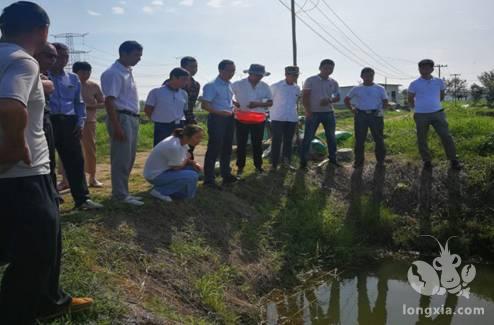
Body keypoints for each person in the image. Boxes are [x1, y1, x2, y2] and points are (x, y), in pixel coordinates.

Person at [0, 2, 92, 324]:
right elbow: (10, 106)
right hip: (24, 174)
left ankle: (49, 300)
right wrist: (14, 147)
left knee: (39, 241)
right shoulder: (23, 61)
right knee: (36, 253)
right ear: (43, 31)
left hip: (14, 176)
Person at [49, 42, 103, 210]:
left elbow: (78, 103)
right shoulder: (41, 75)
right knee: (48, 161)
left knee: (75, 161)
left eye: (66, 56)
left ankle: (82, 199)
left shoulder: (72, 79)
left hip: (69, 122)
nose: (62, 59)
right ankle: (52, 198)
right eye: (58, 55)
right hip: (48, 120)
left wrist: (80, 122)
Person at [101, 40, 144, 206]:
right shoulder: (114, 73)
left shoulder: (127, 71)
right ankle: (120, 195)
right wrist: (117, 126)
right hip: (121, 117)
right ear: (123, 54)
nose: (139, 59)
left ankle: (124, 192)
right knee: (121, 158)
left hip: (132, 117)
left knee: (129, 157)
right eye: (136, 55)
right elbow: (109, 101)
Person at [408, 59, 462, 170]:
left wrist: (433, 104)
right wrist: (417, 108)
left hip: (438, 113)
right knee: (422, 138)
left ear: (432, 69)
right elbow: (410, 98)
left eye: (427, 67)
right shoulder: (414, 84)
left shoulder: (439, 81)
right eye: (422, 68)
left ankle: (453, 160)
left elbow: (441, 96)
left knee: (446, 136)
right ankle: (427, 161)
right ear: (419, 69)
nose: (424, 70)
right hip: (421, 115)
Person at [200, 59, 239, 189]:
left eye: (233, 70)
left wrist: (233, 105)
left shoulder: (229, 85)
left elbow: (226, 100)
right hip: (217, 119)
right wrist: (219, 112)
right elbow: (205, 105)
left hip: (229, 118)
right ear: (220, 70)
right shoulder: (212, 85)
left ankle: (226, 174)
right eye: (229, 70)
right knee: (214, 148)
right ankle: (209, 179)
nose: (231, 73)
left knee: (227, 148)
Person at [143, 125, 203, 202]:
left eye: (201, 138)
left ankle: (185, 195)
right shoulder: (174, 146)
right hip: (155, 176)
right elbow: (177, 167)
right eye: (197, 137)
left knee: (194, 169)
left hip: (165, 171)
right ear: (187, 136)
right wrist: (187, 159)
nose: (199, 140)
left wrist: (193, 162)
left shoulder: (182, 141)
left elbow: (184, 159)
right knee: (192, 175)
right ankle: (160, 191)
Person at [232, 64, 273, 174]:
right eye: (257, 75)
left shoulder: (265, 86)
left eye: (261, 75)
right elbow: (227, 96)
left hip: (258, 119)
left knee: (257, 143)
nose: (260, 77)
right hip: (241, 118)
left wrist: (257, 104)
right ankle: (240, 166)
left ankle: (258, 166)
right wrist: (234, 103)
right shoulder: (238, 84)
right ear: (250, 74)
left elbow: (270, 102)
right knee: (241, 143)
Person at [299, 59, 341, 169]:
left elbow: (337, 97)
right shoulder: (311, 80)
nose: (328, 70)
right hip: (313, 113)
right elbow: (305, 97)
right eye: (326, 68)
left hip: (329, 113)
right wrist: (308, 111)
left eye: (331, 68)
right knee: (308, 137)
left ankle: (333, 159)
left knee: (331, 137)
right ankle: (303, 162)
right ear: (320, 68)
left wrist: (329, 100)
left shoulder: (333, 82)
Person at [344, 67, 388, 168]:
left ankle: (380, 161)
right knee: (360, 139)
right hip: (361, 115)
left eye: (371, 75)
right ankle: (358, 162)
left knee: (379, 138)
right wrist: (352, 109)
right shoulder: (356, 88)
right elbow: (347, 100)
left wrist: (380, 111)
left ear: (373, 76)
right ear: (362, 76)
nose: (369, 77)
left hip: (375, 115)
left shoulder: (380, 88)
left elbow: (385, 101)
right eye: (366, 75)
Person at [73, 61, 105, 187]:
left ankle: (92, 177)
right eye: (83, 72)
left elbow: (103, 103)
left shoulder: (94, 86)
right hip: (71, 121)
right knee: (69, 149)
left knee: (90, 149)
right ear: (76, 72)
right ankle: (66, 180)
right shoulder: (69, 84)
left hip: (89, 121)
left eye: (88, 71)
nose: (86, 74)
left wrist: (91, 106)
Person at [33, 42, 58, 189]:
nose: (52, 60)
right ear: (35, 54)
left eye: (55, 57)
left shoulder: (44, 75)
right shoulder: (24, 70)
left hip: (45, 120)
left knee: (50, 161)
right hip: (33, 123)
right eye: (49, 56)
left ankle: (52, 195)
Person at [145, 67, 189, 146]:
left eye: (187, 80)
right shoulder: (156, 92)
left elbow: (184, 110)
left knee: (178, 149)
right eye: (183, 79)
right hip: (162, 126)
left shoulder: (184, 94)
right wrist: (157, 119)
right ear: (174, 77)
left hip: (179, 126)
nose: (185, 82)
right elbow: (148, 109)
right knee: (161, 149)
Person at [269, 66, 301, 171]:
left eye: (296, 75)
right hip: (278, 118)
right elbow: (268, 101)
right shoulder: (276, 86)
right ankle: (274, 164)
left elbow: (296, 102)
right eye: (293, 75)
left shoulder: (297, 88)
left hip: (291, 118)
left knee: (288, 141)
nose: (295, 77)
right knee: (276, 141)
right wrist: (272, 112)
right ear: (286, 75)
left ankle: (286, 162)